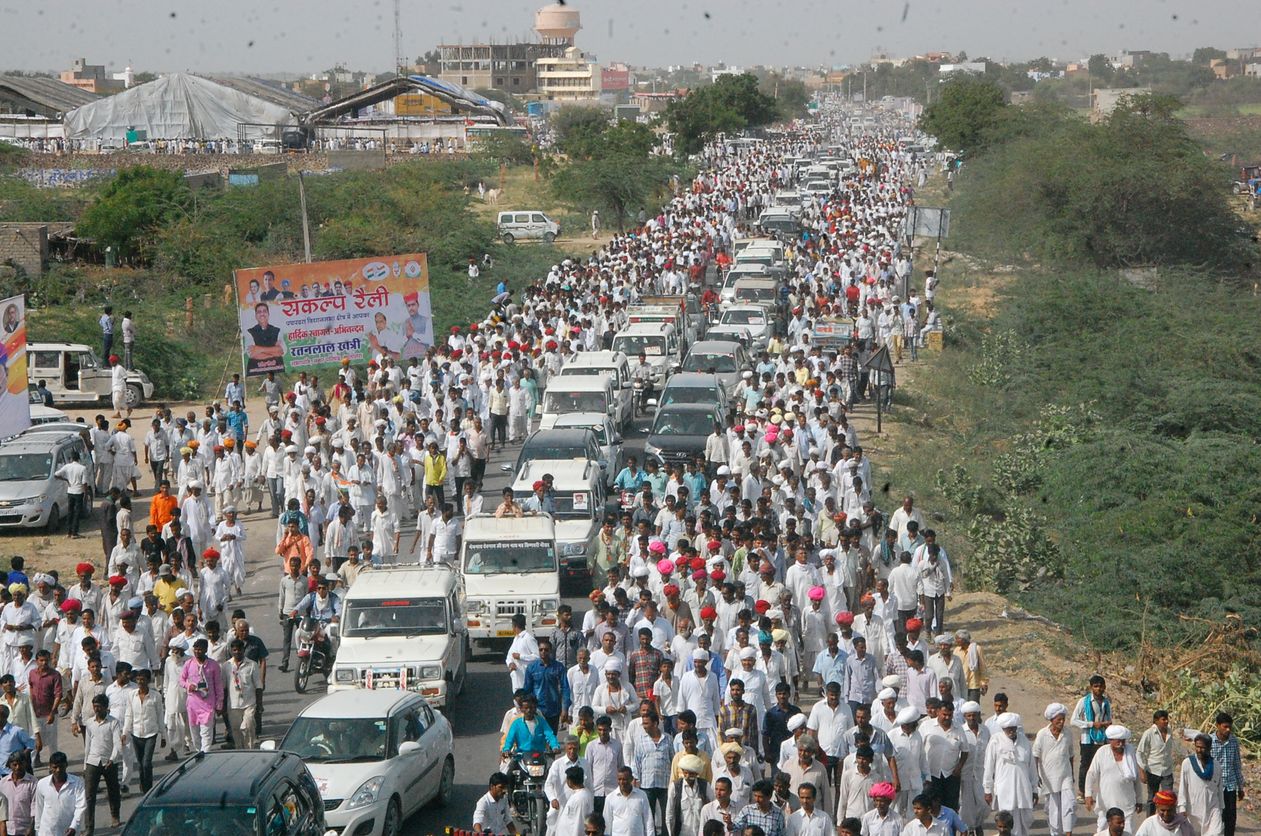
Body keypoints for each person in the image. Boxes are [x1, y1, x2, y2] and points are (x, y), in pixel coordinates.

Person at [982, 713, 1036, 836]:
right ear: (1003, 728)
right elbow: (988, 766)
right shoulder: (996, 740)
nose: (1011, 730)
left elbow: (1031, 766)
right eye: (1008, 728)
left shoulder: (1024, 741)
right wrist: (987, 789)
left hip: (1023, 789)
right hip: (1005, 789)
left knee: (1024, 822)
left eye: (1013, 727)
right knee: (1006, 822)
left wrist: (1034, 789)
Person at [1084, 725, 1143, 833]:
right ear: (1110, 740)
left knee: (1127, 831)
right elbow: (1091, 774)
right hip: (1106, 803)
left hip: (1127, 803)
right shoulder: (1102, 752)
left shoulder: (1130, 752)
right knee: (1103, 831)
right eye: (1118, 740)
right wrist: (1088, 794)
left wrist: (1139, 800)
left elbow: (1136, 779)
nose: (1121, 743)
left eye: (1123, 740)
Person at [1032, 703, 1076, 836]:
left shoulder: (1067, 733)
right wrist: (1036, 775)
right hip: (1049, 777)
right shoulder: (1042, 734)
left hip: (1065, 775)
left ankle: (1068, 832)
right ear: (1052, 720)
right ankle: (1055, 833)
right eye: (1058, 720)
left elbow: (1071, 755)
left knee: (1070, 804)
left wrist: (1072, 773)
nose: (1061, 722)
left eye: (1063, 719)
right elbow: (1035, 755)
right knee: (1054, 809)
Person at [82, 693, 123, 833]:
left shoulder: (114, 722)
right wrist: (85, 765)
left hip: (109, 762)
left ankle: (115, 815)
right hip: (92, 761)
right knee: (89, 796)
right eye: (95, 707)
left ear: (106, 708)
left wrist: (112, 759)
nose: (97, 709)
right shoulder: (89, 723)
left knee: (113, 791)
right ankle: (89, 828)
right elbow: (87, 745)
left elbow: (118, 744)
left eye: (99, 707)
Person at [122, 668, 163, 793]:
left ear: (148, 681)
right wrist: (125, 732)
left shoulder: (156, 696)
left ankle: (148, 789)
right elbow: (129, 714)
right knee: (140, 763)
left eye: (143, 680)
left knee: (146, 762)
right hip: (136, 733)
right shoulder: (132, 695)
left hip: (151, 733)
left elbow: (160, 715)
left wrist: (164, 736)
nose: (140, 682)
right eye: (138, 679)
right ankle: (143, 783)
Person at [1177, 734, 1224, 836]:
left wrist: (1221, 808)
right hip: (1193, 810)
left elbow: (1219, 789)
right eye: (1197, 747)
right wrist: (1182, 807)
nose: (1199, 750)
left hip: (1213, 809)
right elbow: (1183, 787)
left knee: (1216, 833)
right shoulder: (1188, 763)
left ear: (1209, 748)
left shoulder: (1216, 766)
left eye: (1202, 747)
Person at [34, 752, 86, 836]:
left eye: (61, 767)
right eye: (55, 767)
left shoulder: (77, 783)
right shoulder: (42, 784)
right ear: (50, 767)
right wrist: (37, 830)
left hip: (68, 831)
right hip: (47, 831)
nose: (58, 770)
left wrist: (73, 827)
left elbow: (81, 807)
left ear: (66, 765)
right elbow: (39, 809)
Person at [1210, 712, 1244, 836]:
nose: (1228, 730)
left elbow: (1236, 764)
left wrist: (1240, 787)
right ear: (1217, 726)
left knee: (1231, 818)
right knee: (1216, 817)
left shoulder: (1233, 741)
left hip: (1230, 785)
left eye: (1230, 727)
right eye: (1225, 727)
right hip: (1214, 785)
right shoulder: (1210, 741)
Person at [1136, 710, 1176, 815]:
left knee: (1169, 797)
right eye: (1163, 719)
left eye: (1167, 719)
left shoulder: (1170, 731)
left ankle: (1167, 821)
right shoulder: (1149, 733)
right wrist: (1142, 771)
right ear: (1156, 721)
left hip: (1167, 770)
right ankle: (1150, 822)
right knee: (1152, 799)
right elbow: (1140, 752)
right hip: (1153, 771)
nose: (1166, 721)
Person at [604, 766, 652, 836]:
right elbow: (607, 823)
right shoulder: (610, 798)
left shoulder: (642, 795)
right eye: (619, 779)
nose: (622, 782)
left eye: (624, 779)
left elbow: (648, 819)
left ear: (631, 779)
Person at [1, 750, 36, 835]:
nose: (18, 767)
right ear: (10, 765)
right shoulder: (2, 783)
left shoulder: (33, 782)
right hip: (7, 830)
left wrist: (31, 828)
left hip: (25, 830)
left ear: (26, 764)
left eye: (21, 764)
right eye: (14, 765)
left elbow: (35, 807)